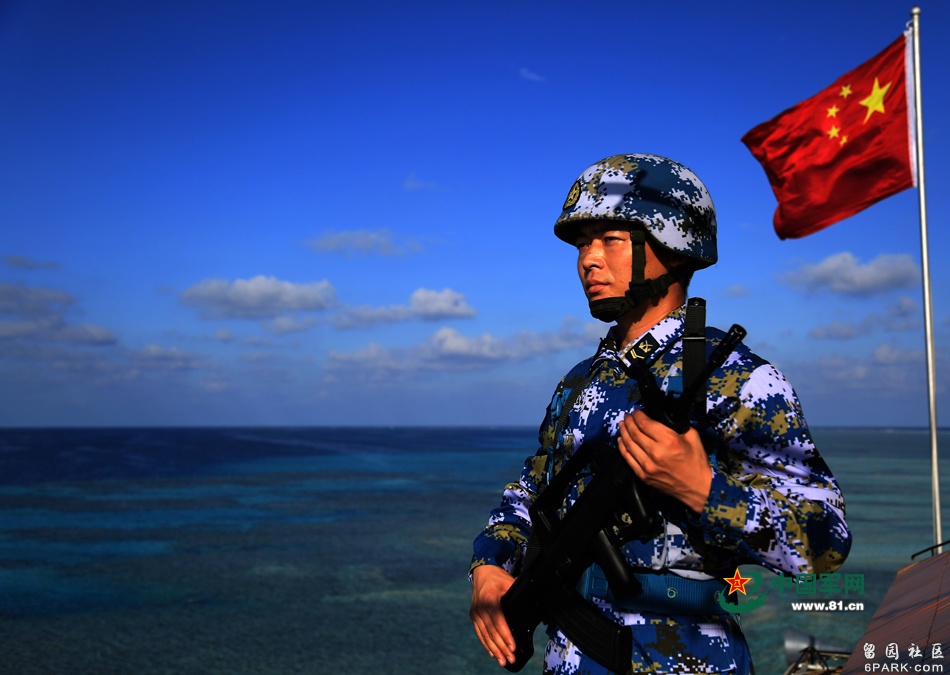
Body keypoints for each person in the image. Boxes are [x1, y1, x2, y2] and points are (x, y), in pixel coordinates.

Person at [468, 154, 852, 674]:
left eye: (610, 240)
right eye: (583, 244)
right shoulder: (583, 380)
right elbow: (534, 488)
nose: (588, 260)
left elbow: (824, 543)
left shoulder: (738, 380)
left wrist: (702, 488)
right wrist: (490, 565)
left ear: (670, 247)